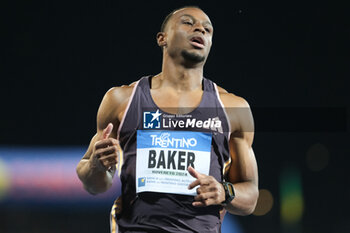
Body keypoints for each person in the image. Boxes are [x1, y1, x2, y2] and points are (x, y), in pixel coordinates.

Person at [76, 6, 259, 233]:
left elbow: (250, 197)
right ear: (162, 38)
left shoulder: (233, 108)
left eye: (207, 29)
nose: (200, 29)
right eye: (188, 22)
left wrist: (225, 191)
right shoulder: (122, 100)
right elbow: (95, 185)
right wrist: (96, 165)